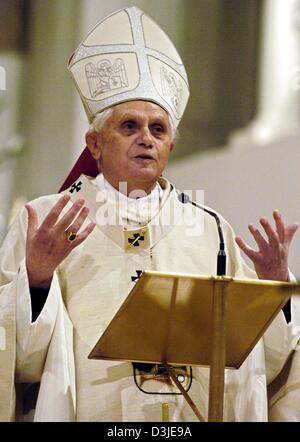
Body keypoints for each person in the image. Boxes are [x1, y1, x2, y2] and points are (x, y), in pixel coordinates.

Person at [0, 6, 299, 422]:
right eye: (129, 126)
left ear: (171, 147)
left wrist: (274, 290)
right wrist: (35, 279)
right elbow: (19, 361)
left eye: (158, 129)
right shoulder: (47, 221)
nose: (146, 139)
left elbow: (265, 362)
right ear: (95, 144)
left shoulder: (210, 230)